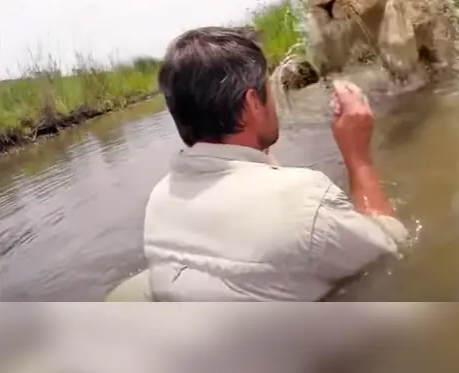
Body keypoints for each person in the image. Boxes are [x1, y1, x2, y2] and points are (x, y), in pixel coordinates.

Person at [140, 26, 408, 301]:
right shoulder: (305, 201)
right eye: (268, 87)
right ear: (253, 103)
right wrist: (358, 157)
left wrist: (259, 148)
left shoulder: (159, 200)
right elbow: (391, 245)